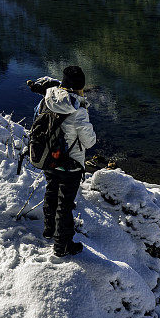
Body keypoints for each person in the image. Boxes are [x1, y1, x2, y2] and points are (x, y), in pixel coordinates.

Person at [29, 66, 97, 257]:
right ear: (79, 87)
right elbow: (89, 141)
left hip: (50, 159)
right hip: (70, 164)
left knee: (51, 192)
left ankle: (49, 229)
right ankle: (62, 245)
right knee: (65, 204)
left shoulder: (48, 98)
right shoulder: (78, 110)